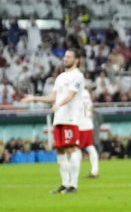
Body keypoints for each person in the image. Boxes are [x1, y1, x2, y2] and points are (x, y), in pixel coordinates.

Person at [20, 48, 85, 193]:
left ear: (77, 60)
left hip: (71, 118)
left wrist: (58, 104)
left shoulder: (78, 76)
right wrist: (34, 98)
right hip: (59, 117)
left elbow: (71, 95)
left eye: (68, 57)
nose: (65, 59)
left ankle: (73, 185)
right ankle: (64, 183)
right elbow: (53, 97)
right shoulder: (60, 77)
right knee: (60, 150)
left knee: (71, 148)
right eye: (65, 56)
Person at [77, 87, 99, 178]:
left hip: (80, 125)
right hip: (88, 124)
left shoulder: (78, 95)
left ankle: (74, 172)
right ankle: (95, 171)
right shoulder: (87, 96)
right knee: (90, 147)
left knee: (76, 148)